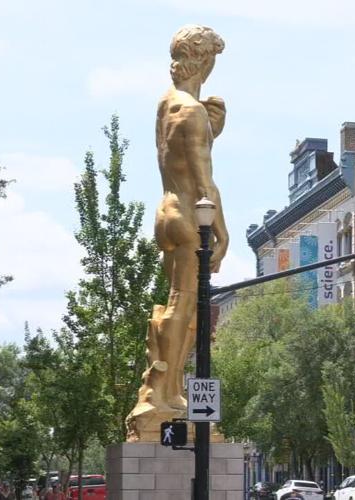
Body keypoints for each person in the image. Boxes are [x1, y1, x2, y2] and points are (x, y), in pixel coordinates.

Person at [126, 23, 229, 440]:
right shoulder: (194, 111)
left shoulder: (168, 104)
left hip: (165, 210)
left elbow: (180, 155)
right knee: (185, 307)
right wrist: (222, 232)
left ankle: (161, 387)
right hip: (190, 215)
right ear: (203, 59)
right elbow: (204, 182)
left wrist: (211, 127)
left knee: (175, 303)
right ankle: (165, 393)